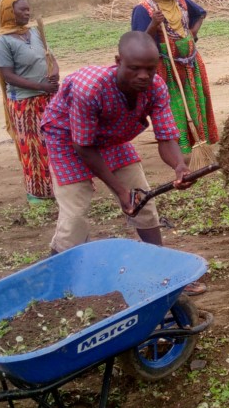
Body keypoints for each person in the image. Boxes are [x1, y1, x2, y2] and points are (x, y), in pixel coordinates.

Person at [40, 31, 205, 294]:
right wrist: (119, 190)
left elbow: (166, 137)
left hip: (113, 136)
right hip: (68, 140)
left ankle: (161, 273)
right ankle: (51, 284)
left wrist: (179, 166)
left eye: (149, 69)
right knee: (74, 218)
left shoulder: (156, 87)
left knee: (144, 204)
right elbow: (83, 146)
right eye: (134, 68)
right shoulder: (90, 89)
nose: (143, 76)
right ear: (118, 61)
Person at [131, 0, 219, 157]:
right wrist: (154, 24)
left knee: (196, 100)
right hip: (166, 67)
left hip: (190, 62)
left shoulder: (181, 1)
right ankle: (179, 147)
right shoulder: (144, 10)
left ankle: (200, 138)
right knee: (173, 105)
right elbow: (138, 41)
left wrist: (193, 32)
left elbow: (201, 13)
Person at [0, 0, 59, 204]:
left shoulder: (35, 33)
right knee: (33, 147)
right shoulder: (2, 42)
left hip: (48, 97)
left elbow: (50, 56)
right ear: (10, 13)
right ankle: (37, 193)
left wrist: (55, 72)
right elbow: (8, 76)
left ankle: (59, 187)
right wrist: (40, 86)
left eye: (28, 9)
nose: (28, 13)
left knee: (55, 144)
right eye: (22, 10)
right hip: (25, 103)